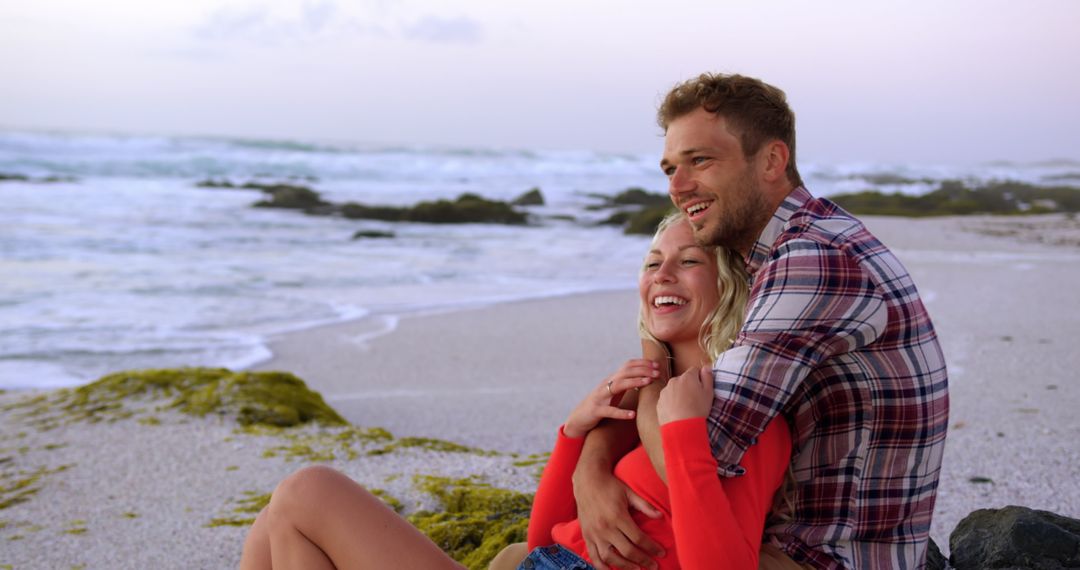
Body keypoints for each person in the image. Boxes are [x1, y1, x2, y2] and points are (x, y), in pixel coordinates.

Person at [238, 213, 793, 570]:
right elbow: (541, 542)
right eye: (652, 263)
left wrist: (684, 435)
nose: (662, 274)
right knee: (274, 525)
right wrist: (575, 437)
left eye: (688, 261)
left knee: (306, 492)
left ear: (730, 284)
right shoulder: (638, 396)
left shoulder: (742, 412)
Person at [570, 73, 950, 570]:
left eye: (700, 160)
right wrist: (591, 464)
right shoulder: (792, 249)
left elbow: (696, 454)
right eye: (670, 169)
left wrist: (651, 367)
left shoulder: (813, 261)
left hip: (821, 559)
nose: (678, 188)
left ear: (772, 160)